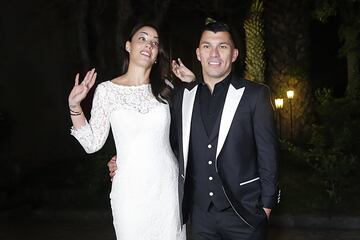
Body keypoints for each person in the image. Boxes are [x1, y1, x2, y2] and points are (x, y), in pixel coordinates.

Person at [109, 21, 279, 240]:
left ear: (234, 54)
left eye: (223, 46)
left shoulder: (255, 95)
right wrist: (123, 157)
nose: (214, 53)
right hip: (200, 219)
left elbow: (269, 155)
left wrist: (266, 206)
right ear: (199, 53)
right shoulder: (182, 97)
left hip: (244, 215)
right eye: (207, 46)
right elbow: (164, 140)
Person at [68, 23, 188, 240]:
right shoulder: (106, 91)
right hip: (129, 192)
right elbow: (92, 143)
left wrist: (191, 84)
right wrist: (75, 106)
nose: (149, 44)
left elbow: (192, 128)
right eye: (142, 38)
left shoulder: (167, 89)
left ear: (156, 55)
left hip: (167, 189)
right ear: (128, 45)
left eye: (154, 42)